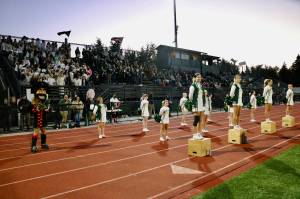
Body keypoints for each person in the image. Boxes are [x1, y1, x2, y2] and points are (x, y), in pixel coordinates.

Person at [31, 88, 50, 153]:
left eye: (43, 95)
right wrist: (36, 109)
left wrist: (47, 110)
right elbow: (32, 110)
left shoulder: (45, 102)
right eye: (40, 95)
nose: (42, 96)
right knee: (35, 133)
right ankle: (33, 146)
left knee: (44, 132)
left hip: (43, 119)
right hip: (37, 120)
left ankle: (43, 144)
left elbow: (47, 109)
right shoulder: (34, 102)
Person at [189, 73, 205, 140]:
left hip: (201, 104)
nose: (199, 78)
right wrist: (192, 103)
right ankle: (194, 134)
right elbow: (190, 96)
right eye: (197, 77)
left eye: (200, 77)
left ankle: (199, 133)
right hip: (196, 104)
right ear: (195, 78)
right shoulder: (193, 86)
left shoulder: (200, 85)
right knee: (196, 120)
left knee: (201, 120)